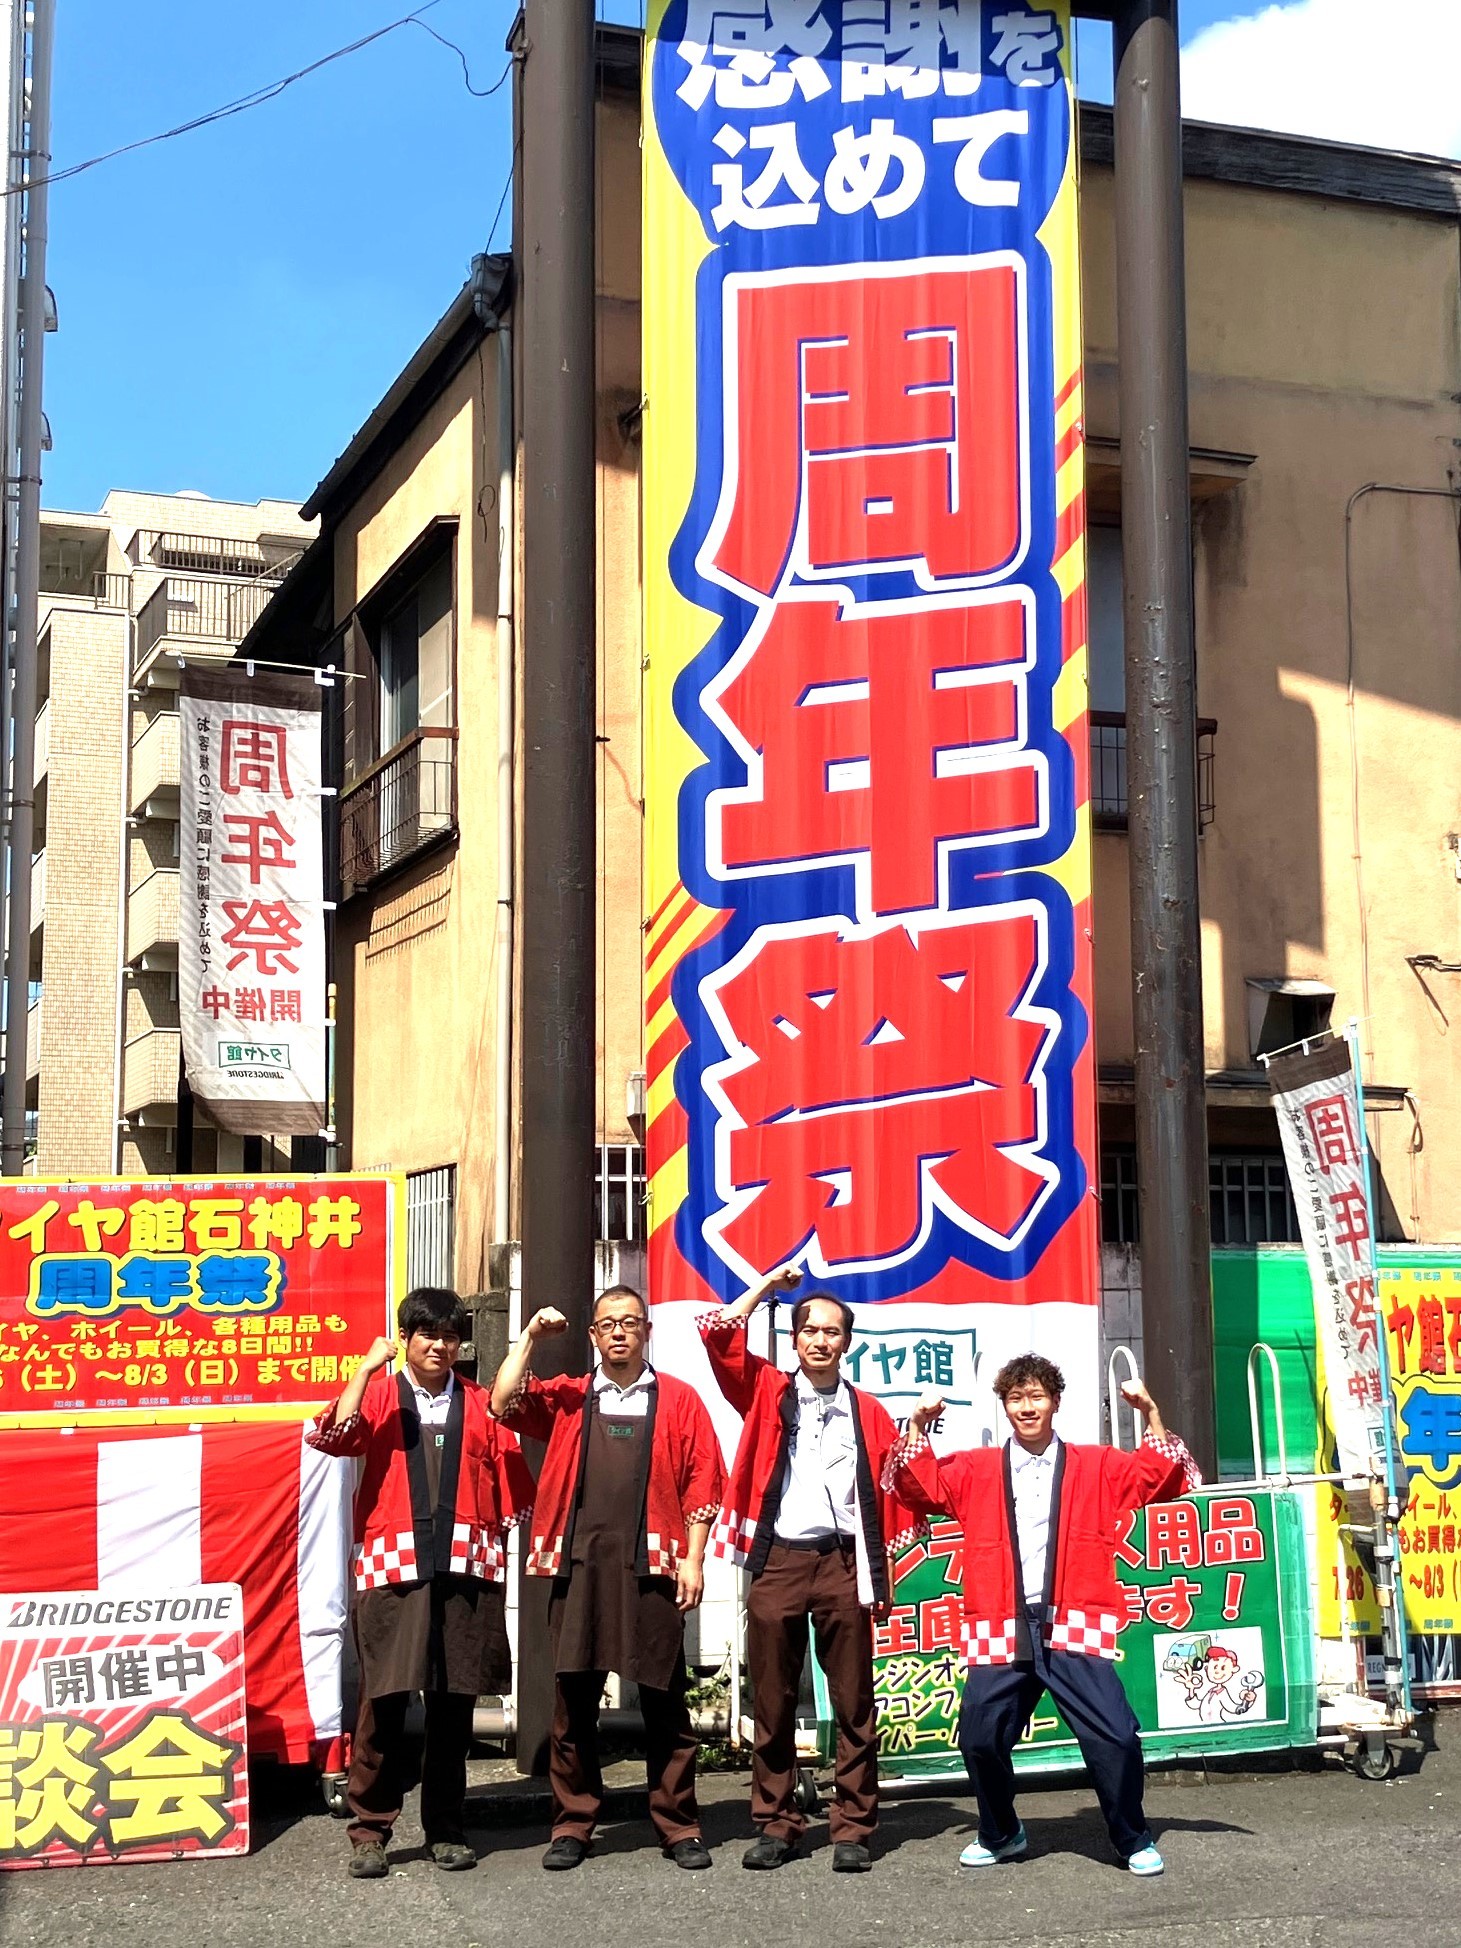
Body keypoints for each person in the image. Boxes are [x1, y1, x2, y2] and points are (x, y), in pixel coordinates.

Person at [889, 1354, 1202, 1878]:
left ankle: (1132, 1836)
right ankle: (1001, 1833)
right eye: (1016, 1398)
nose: (1027, 1407)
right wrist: (918, 1425)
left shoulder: (1095, 1464)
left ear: (1055, 1402)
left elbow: (1158, 1477)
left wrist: (1150, 1414)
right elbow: (918, 1486)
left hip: (1073, 1617)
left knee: (1115, 1736)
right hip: (1000, 1621)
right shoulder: (976, 1468)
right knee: (980, 1738)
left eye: (1037, 1396)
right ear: (1004, 1405)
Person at [491, 1285, 725, 1872]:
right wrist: (530, 1336)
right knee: (572, 1703)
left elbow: (703, 1481)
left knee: (665, 1701)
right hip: (578, 1565)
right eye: (608, 1324)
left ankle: (679, 1825)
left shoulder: (679, 1399)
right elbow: (502, 1401)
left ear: (647, 1331)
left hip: (653, 1566)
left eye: (630, 1322)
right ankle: (573, 1824)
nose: (619, 1331)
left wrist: (694, 1558)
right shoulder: (570, 1396)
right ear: (594, 1336)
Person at [307, 1285, 535, 1880]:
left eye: (450, 1336)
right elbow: (332, 1436)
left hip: (466, 1570)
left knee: (454, 1708)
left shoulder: (482, 1404)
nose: (439, 1345)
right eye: (428, 1334)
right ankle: (370, 1830)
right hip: (392, 1570)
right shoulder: (380, 1395)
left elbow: (515, 1496)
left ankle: (446, 1828)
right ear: (405, 1338)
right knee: (383, 1702)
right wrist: (364, 1369)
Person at [698, 1268, 919, 1874]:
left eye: (832, 1332)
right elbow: (718, 1332)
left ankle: (853, 1828)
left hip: (844, 1561)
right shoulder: (767, 1390)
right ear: (794, 1339)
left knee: (854, 1701)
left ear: (848, 1342)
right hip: (780, 1559)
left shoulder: (868, 1411)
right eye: (810, 1331)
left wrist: (918, 1430)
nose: (820, 1341)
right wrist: (768, 1286)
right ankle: (777, 1824)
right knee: (772, 1698)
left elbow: (900, 1485)